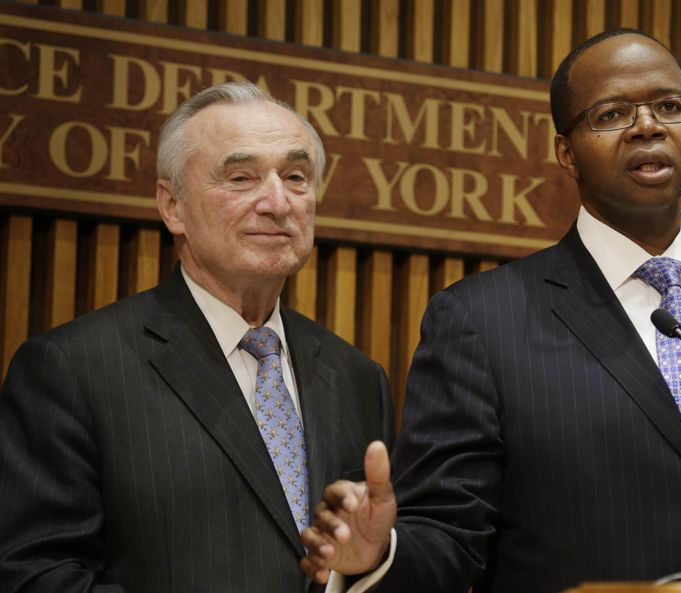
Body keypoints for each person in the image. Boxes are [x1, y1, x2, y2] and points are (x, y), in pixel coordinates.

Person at [299, 28, 681, 592]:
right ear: (566, 153)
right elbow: (450, 534)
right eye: (611, 115)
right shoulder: (479, 321)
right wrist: (379, 554)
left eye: (669, 105)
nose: (647, 126)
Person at [0, 81, 394, 593]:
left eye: (295, 176)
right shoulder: (72, 369)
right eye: (240, 177)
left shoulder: (357, 376)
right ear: (173, 207)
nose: (277, 201)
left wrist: (365, 566)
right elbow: (34, 576)